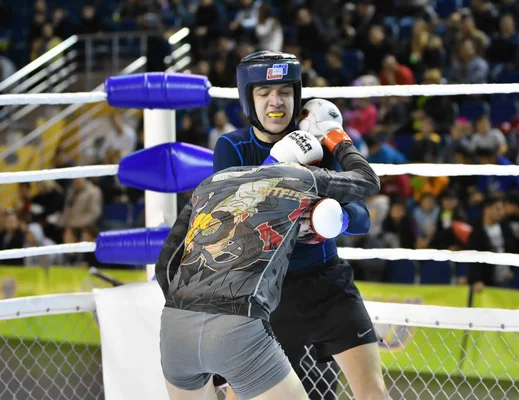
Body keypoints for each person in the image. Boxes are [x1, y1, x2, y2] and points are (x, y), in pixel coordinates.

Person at [213, 50, 389, 400]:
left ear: (298, 96)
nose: (275, 102)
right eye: (264, 93)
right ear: (249, 98)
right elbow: (231, 219)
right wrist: (277, 159)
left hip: (327, 282)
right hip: (262, 292)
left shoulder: (319, 142)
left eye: (284, 92)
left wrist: (334, 218)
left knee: (374, 393)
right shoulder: (232, 147)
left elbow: (363, 217)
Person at [156, 128, 381, 400]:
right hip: (235, 324)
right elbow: (367, 181)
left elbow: (164, 265)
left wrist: (193, 318)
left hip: (175, 326)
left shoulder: (212, 181)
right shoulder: (296, 177)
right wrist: (339, 141)